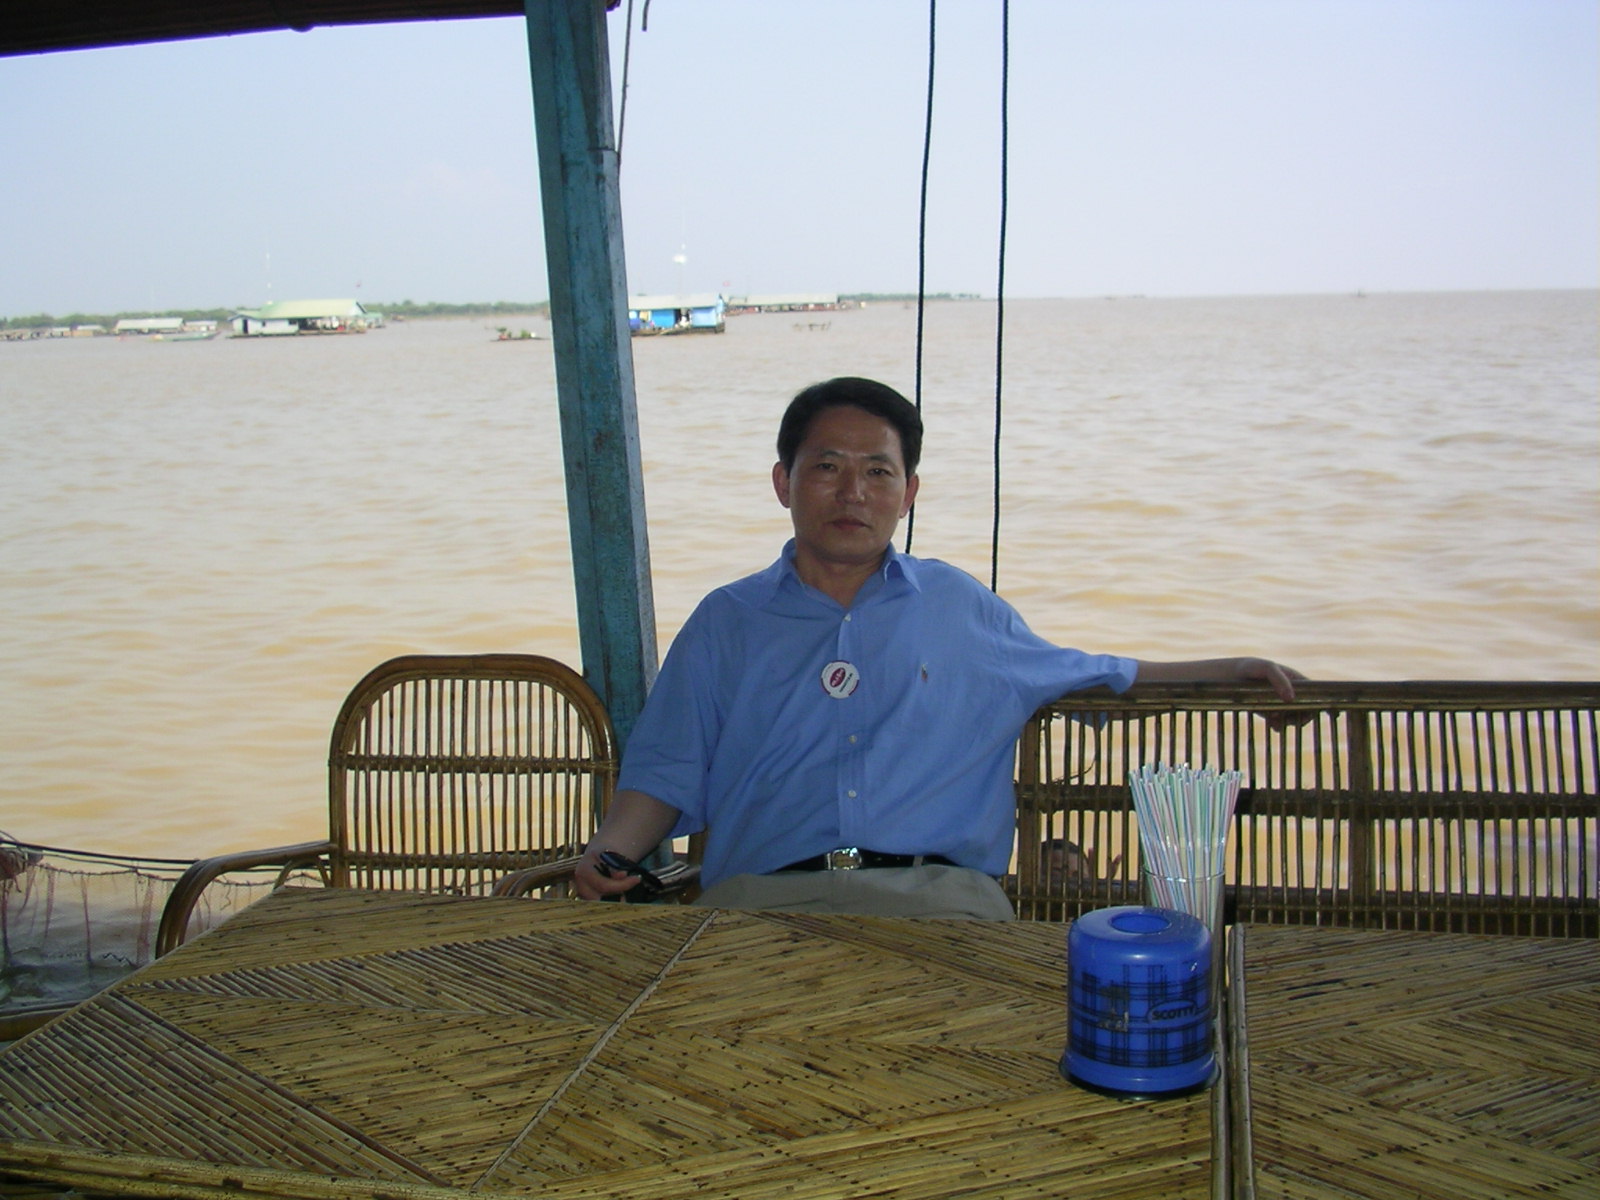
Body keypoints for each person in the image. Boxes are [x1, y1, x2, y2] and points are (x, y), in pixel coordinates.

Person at [574, 376, 1302, 919]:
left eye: (878, 471)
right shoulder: (726, 621)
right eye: (827, 467)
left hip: (940, 902)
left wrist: (1236, 671)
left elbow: (1101, 674)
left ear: (909, 491)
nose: (853, 492)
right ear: (783, 482)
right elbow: (663, 774)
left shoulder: (960, 607)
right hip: (758, 905)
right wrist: (610, 854)